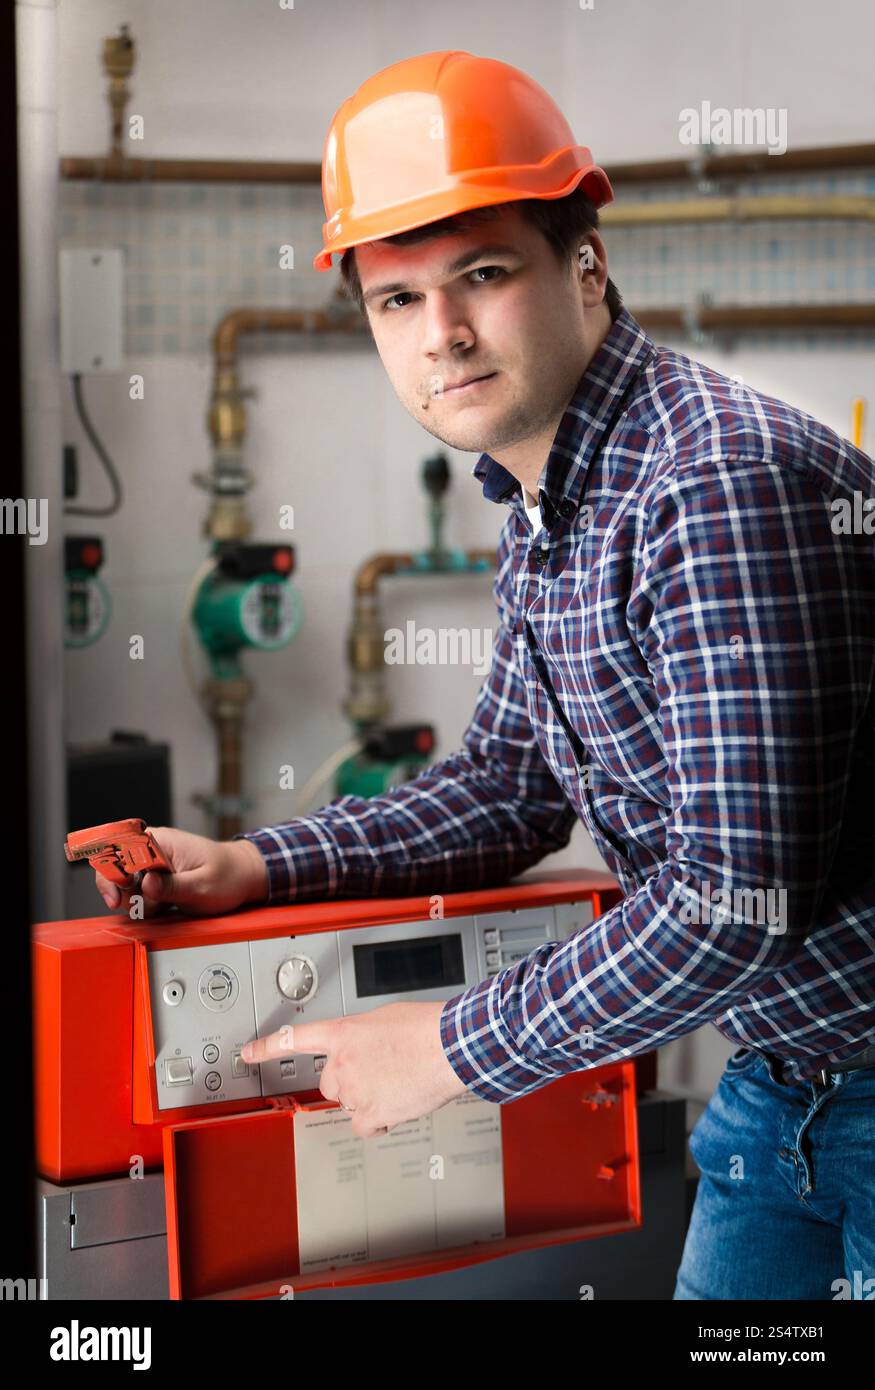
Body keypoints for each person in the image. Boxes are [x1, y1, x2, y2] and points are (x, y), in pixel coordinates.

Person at [95, 52, 875, 1297]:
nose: (441, 333)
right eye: (394, 301)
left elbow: (735, 899)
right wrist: (254, 863)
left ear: (584, 267)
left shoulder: (707, 485)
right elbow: (509, 787)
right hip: (783, 1081)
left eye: (482, 275)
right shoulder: (549, 499)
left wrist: (452, 1049)